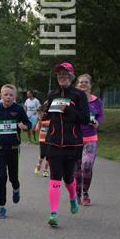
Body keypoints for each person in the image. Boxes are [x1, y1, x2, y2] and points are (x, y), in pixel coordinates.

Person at [42, 62, 90, 227]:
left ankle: (72, 198)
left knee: (68, 179)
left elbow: (85, 119)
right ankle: (53, 214)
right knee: (55, 178)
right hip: (54, 143)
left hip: (72, 144)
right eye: (59, 74)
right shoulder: (52, 94)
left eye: (65, 74)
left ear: (71, 76)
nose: (62, 76)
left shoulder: (79, 95)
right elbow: (48, 116)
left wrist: (68, 108)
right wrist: (43, 114)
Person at [0, 84, 31, 218]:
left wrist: (25, 126)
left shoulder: (18, 109)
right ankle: (2, 206)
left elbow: (29, 123)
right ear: (1, 95)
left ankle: (16, 188)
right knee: (2, 176)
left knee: (13, 177)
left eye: (11, 95)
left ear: (15, 96)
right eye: (6, 94)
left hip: (13, 149)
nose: (8, 97)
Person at [74, 74, 104, 205]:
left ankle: (85, 192)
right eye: (80, 82)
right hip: (75, 138)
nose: (83, 84)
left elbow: (100, 115)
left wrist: (97, 122)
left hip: (90, 138)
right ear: (77, 85)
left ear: (90, 85)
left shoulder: (96, 101)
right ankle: (77, 194)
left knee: (87, 167)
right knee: (77, 169)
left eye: (86, 82)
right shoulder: (73, 100)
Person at [34, 107, 50, 176]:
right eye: (40, 113)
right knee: (42, 155)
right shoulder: (40, 120)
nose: (41, 114)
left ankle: (45, 170)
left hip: (50, 140)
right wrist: (37, 125)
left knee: (48, 156)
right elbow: (37, 129)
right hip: (42, 139)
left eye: (42, 113)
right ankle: (38, 166)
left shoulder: (52, 119)